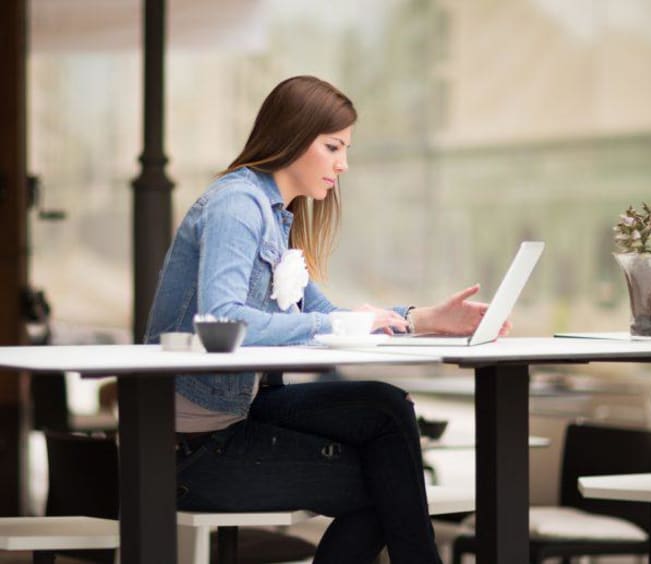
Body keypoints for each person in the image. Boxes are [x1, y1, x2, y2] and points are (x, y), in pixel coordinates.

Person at [145, 75, 507, 564]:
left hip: (237, 413)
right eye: (333, 146)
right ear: (292, 135)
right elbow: (221, 317)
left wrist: (424, 318)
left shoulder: (274, 214)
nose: (344, 164)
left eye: (346, 148)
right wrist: (335, 327)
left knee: (385, 409)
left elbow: (324, 314)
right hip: (193, 448)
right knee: (392, 485)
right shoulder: (237, 204)